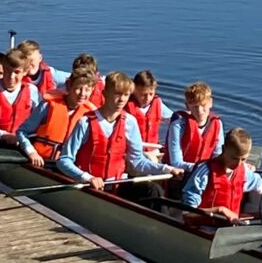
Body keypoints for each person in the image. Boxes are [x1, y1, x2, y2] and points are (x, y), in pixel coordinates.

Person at [56, 71, 183, 199]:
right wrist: (87, 178)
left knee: (153, 191)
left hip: (117, 183)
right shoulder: (85, 123)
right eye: (117, 94)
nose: (122, 100)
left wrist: (167, 169)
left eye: (126, 95)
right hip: (89, 186)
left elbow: (138, 161)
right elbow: (64, 160)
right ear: (105, 94)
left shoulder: (130, 122)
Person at [16, 67, 99, 167]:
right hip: (42, 162)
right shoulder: (47, 106)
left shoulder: (89, 115)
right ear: (69, 86)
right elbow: (22, 131)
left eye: (87, 90)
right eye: (78, 88)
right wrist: (31, 152)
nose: (82, 94)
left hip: (70, 167)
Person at [182, 127, 262, 224]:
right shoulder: (204, 173)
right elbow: (187, 213)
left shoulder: (245, 172)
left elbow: (261, 186)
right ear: (223, 149)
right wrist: (219, 210)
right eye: (234, 158)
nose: (238, 164)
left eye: (243, 159)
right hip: (205, 229)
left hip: (231, 230)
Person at [164, 81, 224, 171]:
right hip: (182, 174)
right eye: (195, 107)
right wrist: (202, 168)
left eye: (203, 105)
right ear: (187, 106)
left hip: (206, 172)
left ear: (210, 103)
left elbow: (218, 154)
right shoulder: (178, 126)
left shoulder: (217, 123)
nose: (199, 111)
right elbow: (176, 162)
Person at [126, 70, 172, 153]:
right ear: (134, 91)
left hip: (153, 148)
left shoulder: (158, 103)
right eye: (143, 94)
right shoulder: (126, 106)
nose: (148, 98)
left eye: (151, 94)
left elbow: (173, 119)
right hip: (132, 150)